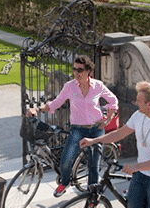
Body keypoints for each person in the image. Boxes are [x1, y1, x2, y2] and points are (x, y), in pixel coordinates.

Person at [26, 55, 118, 197]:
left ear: (88, 71)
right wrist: (37, 109)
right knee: (66, 159)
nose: (76, 73)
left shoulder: (98, 85)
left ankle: (92, 198)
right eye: (74, 69)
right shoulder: (69, 86)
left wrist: (108, 119)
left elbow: (113, 100)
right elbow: (56, 103)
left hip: (96, 129)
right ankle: (65, 181)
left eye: (80, 70)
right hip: (78, 129)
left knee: (93, 166)